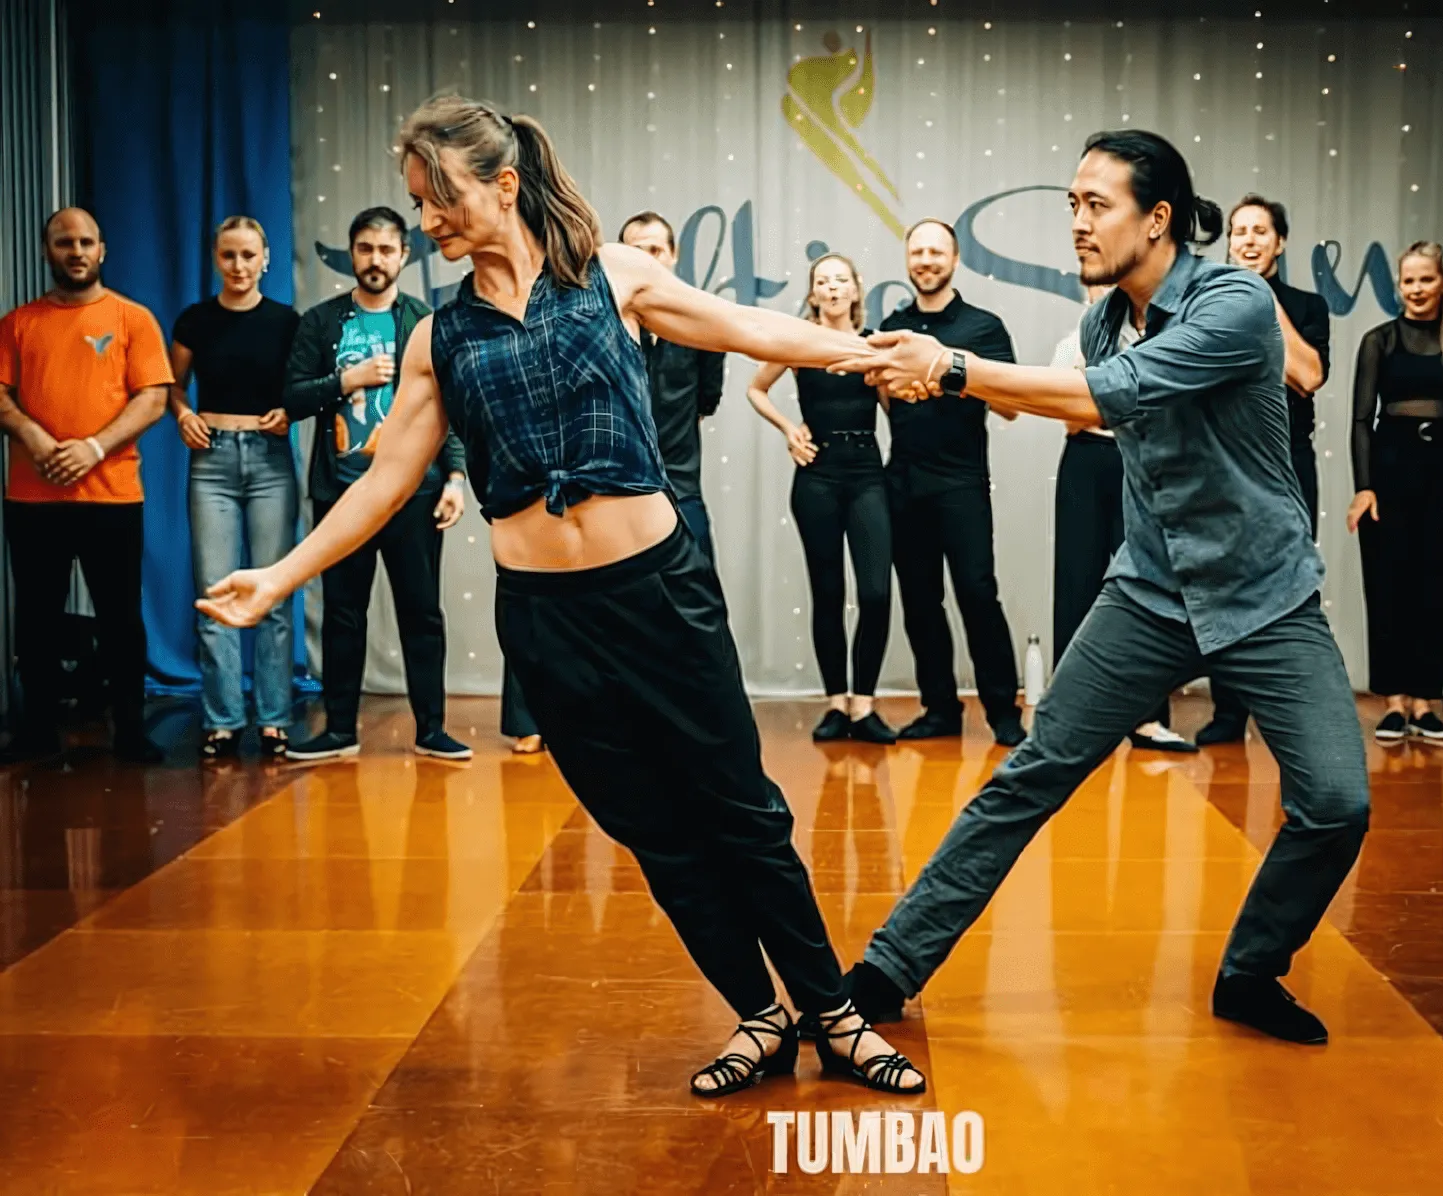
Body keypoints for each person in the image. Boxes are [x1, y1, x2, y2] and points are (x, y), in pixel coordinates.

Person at [198, 96, 922, 1098]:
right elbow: (382, 479)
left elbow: (747, 324)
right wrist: (279, 575)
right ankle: (758, 1013)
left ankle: (832, 1012)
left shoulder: (611, 278)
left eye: (438, 198)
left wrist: (867, 353)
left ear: (501, 184)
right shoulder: (437, 337)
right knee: (655, 830)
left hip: (660, 598)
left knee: (742, 811)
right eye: (416, 205)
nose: (426, 225)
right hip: (548, 624)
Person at [838, 130, 1370, 1046]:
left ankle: (1250, 970)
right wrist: (937, 373)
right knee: (1031, 777)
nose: (1077, 224)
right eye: (1072, 206)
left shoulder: (1236, 302)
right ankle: (888, 968)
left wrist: (953, 368)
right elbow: (1085, 393)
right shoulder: (1099, 319)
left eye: (1096, 205)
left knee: (1336, 803)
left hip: (1266, 594)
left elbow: (1110, 395)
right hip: (1151, 594)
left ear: (1157, 219)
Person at [282, 206, 473, 762]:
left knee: (421, 612)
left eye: (386, 249)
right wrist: (347, 379)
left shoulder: (424, 321)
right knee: (343, 611)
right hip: (342, 493)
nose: (375, 259)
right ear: (352, 253)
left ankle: (431, 729)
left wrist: (455, 478)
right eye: (365, 248)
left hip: (414, 492)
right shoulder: (320, 322)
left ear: (403, 256)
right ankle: (340, 729)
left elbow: (448, 405)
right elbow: (292, 398)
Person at [0, 208, 172, 764]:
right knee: (37, 622)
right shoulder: (17, 323)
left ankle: (129, 732)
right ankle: (37, 736)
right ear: (47, 251)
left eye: (85, 242)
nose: (75, 251)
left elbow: (154, 398)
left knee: (122, 618)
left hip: (113, 497)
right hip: (33, 498)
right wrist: (34, 435)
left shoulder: (132, 319)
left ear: (103, 250)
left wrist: (92, 447)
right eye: (63, 242)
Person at [881, 219, 1025, 747]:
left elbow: (1010, 407)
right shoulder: (892, 327)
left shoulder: (984, 328)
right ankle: (939, 708)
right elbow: (884, 399)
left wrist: (954, 376)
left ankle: (1002, 712)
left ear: (955, 259)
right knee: (920, 601)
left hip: (961, 484)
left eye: (935, 251)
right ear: (907, 261)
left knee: (977, 594)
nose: (925, 260)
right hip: (903, 484)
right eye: (916, 251)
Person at [746, 253, 896, 744]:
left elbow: (897, 406)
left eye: (840, 280)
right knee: (828, 593)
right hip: (817, 478)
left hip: (868, 475)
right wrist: (791, 430)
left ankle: (865, 705)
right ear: (813, 294)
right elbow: (755, 388)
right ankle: (836, 704)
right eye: (822, 281)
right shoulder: (799, 341)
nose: (832, 289)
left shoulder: (876, 346)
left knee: (874, 593)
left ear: (856, 289)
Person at [1200, 195, 1333, 745]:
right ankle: (1228, 712)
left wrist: (1260, 301)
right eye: (1238, 232)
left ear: (1279, 242)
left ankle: (1297, 713)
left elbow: (1308, 376)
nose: (1248, 241)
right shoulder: (1206, 302)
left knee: (1292, 587)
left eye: (1260, 231)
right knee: (1225, 584)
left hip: (1287, 463)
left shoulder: (1306, 306)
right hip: (1226, 462)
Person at [169, 216, 302, 760]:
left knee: (272, 590)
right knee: (216, 590)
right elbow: (171, 389)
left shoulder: (287, 322)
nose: (239, 267)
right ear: (216, 259)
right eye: (229, 256)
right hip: (212, 461)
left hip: (271, 461)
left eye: (249, 256)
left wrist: (289, 413)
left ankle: (273, 719)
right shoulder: (195, 321)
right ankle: (221, 719)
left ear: (266, 258)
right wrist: (180, 414)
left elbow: (303, 389)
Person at [1346, 243, 1443, 743]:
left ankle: (1426, 701)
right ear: (1398, 286)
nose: (1415, 289)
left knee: (1434, 584)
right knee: (1389, 587)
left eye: (1425, 280)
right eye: (1408, 281)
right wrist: (1363, 487)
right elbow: (1362, 420)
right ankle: (1393, 701)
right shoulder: (1379, 341)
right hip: (1389, 470)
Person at [1050, 286, 1194, 754]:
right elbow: (1070, 416)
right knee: (1076, 582)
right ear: (1085, 289)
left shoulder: (1160, 339)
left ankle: (1149, 719)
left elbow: (1162, 409)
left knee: (1149, 582)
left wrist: (1096, 393)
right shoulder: (1072, 342)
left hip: (1143, 459)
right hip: (1085, 461)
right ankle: (1068, 717)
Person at [618, 211, 726, 559]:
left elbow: (706, 400)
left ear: (673, 254)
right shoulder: (602, 326)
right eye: (636, 251)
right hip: (618, 496)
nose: (647, 261)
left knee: (702, 601)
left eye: (655, 250)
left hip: (681, 487)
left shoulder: (702, 319)